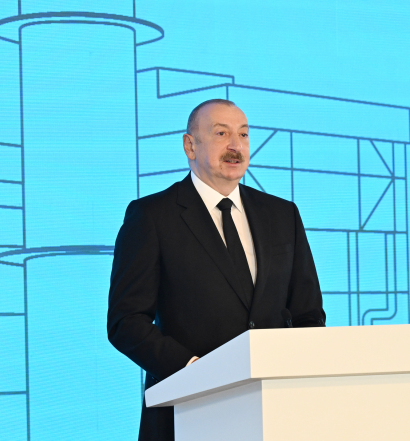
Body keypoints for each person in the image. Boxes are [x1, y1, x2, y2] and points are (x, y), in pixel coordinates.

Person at [108, 98, 326, 441]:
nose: (235, 145)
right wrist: (193, 370)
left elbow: (308, 314)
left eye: (243, 134)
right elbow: (126, 321)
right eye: (221, 133)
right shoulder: (152, 216)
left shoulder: (283, 215)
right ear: (190, 145)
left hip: (275, 413)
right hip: (188, 410)